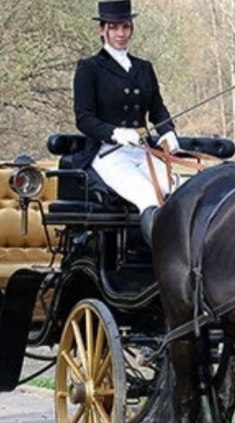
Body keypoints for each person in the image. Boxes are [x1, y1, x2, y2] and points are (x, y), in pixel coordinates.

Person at [72, 0, 179, 244]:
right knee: (148, 196)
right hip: (109, 153)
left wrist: (167, 131)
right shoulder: (89, 68)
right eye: (114, 27)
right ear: (102, 30)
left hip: (142, 151)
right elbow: (84, 118)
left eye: (125, 27)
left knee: (176, 191)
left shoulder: (144, 68)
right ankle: (158, 258)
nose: (121, 34)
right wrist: (115, 133)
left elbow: (157, 108)